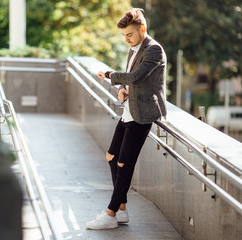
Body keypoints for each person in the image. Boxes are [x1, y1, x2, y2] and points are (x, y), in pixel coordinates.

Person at [86, 8, 167, 230]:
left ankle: (110, 213)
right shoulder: (134, 48)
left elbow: (136, 76)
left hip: (143, 114)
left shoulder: (154, 50)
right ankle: (121, 211)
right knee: (112, 156)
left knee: (124, 163)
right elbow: (131, 80)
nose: (126, 40)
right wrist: (122, 87)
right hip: (129, 110)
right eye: (123, 36)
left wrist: (112, 76)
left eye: (129, 34)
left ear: (143, 29)